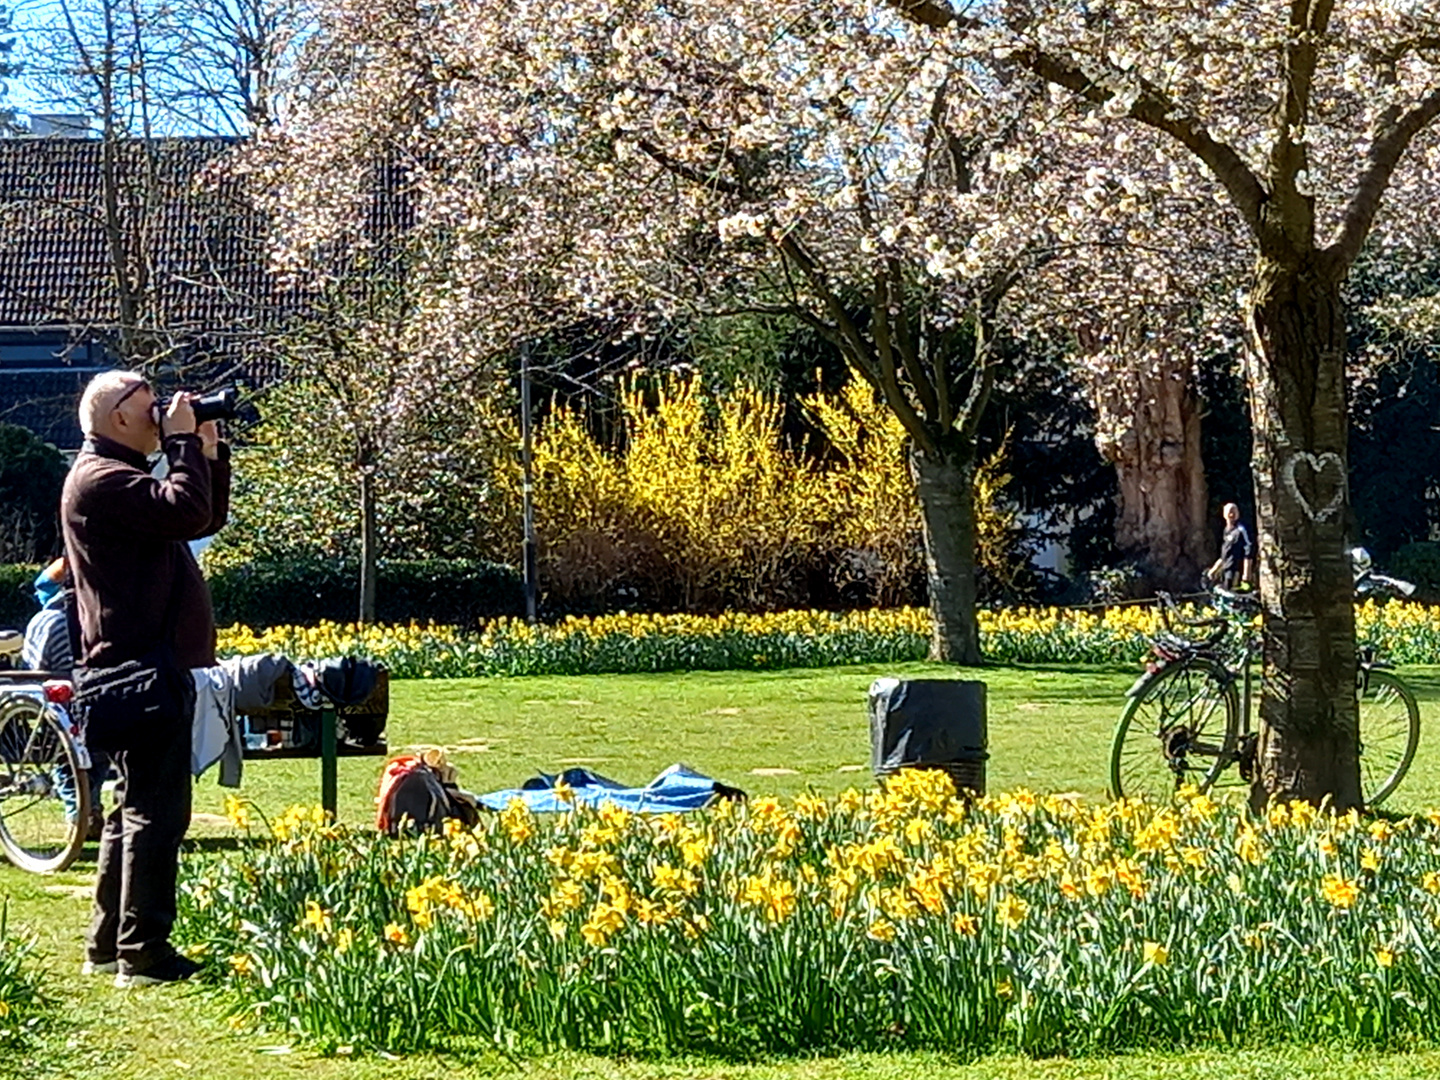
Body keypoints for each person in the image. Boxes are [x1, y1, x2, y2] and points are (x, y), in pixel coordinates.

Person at [62, 370, 230, 988]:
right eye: (150, 403)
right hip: (138, 668)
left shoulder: (116, 477)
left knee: (130, 810)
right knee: (158, 814)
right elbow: (182, 510)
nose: (162, 411)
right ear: (119, 419)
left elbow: (200, 516)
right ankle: (145, 951)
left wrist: (206, 448)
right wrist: (184, 445)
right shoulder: (102, 480)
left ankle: (108, 944)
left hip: (142, 665)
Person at [21, 557, 109, 840]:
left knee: (65, 761)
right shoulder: (101, 616)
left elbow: (34, 669)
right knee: (97, 759)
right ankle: (90, 806)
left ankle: (81, 813)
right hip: (98, 702)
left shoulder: (46, 620)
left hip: (56, 708)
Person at [1206, 502, 1253, 589]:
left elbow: (1248, 551)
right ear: (1224, 514)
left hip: (1236, 570)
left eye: (1234, 512)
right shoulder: (1226, 531)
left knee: (1232, 594)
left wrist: (1246, 573)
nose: (1231, 514)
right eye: (1229, 512)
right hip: (1225, 570)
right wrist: (1214, 570)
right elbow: (1224, 554)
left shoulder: (1240, 530)